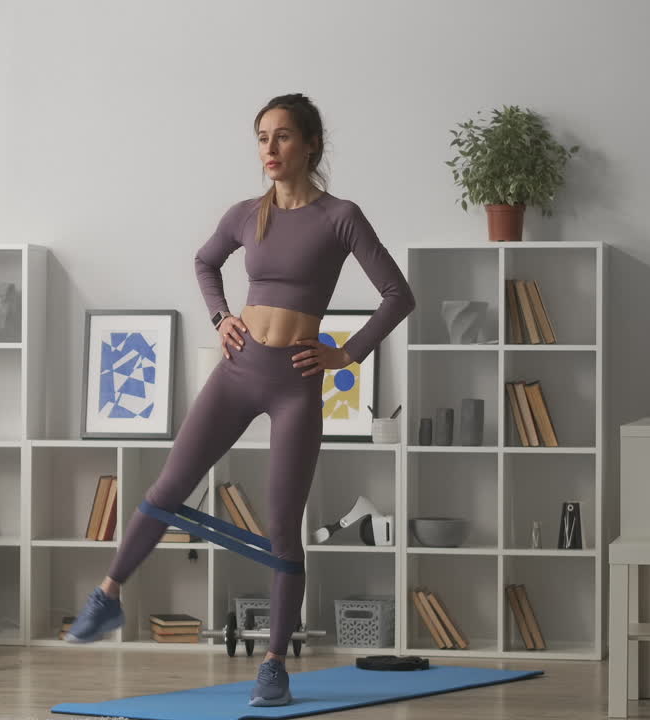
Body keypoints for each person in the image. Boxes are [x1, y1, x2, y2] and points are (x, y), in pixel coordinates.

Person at [64, 93, 416, 707]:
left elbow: (397, 295)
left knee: (282, 527)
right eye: (261, 138)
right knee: (167, 488)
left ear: (311, 144)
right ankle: (108, 596)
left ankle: (274, 665)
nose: (269, 150)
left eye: (282, 137)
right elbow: (205, 264)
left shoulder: (341, 216)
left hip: (295, 384)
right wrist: (221, 316)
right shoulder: (246, 214)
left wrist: (346, 353)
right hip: (238, 369)